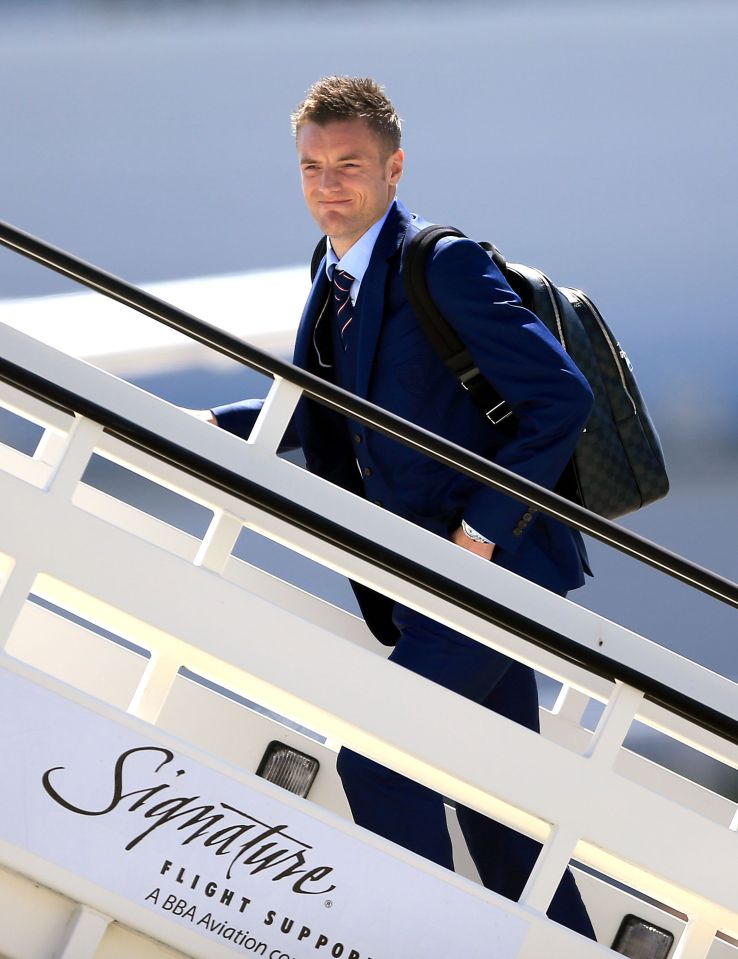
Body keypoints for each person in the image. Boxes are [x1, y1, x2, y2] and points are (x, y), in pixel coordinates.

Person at [194, 76, 596, 940]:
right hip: (428, 576)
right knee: (500, 815)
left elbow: (562, 398)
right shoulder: (332, 270)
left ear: (394, 169)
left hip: (489, 574)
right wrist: (212, 424)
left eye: (349, 165)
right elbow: (324, 403)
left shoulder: (439, 263)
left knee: (378, 763)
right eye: (311, 168)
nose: (327, 184)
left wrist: (480, 534)